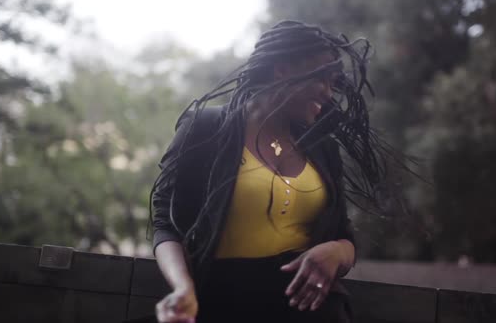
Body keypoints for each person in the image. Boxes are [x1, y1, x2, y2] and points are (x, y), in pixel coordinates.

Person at [150, 20, 391, 323]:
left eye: (334, 84)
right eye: (322, 80)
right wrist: (183, 288)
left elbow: (345, 237)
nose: (329, 94)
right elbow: (165, 222)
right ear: (283, 69)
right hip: (225, 305)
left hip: (312, 312)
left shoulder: (322, 148)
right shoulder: (207, 128)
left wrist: (336, 253)